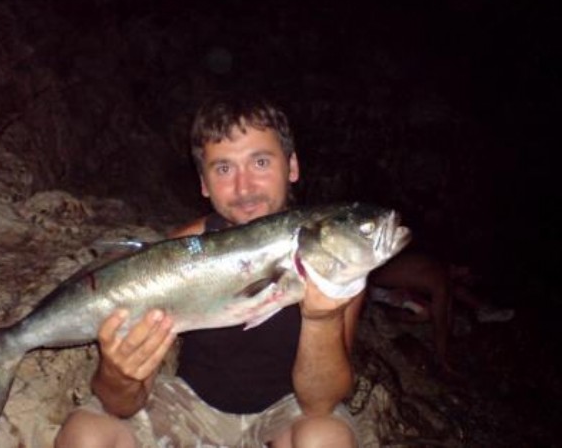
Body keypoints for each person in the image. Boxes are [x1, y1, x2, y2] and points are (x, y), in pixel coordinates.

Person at [54, 96, 363, 447]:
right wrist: (117, 374)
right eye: (224, 169)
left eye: (260, 162)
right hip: (191, 407)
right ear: (203, 183)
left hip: (286, 413)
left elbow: (320, 403)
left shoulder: (336, 250)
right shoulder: (181, 251)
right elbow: (122, 404)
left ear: (291, 166)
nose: (244, 187)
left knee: (325, 438)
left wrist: (323, 319)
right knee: (87, 434)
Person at [368, 251, 514, 375]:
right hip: (373, 289)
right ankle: (383, 314)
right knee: (426, 314)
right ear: (464, 270)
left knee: (446, 296)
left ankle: (484, 310)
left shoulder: (436, 266)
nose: (471, 282)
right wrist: (443, 358)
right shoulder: (440, 280)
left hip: (378, 281)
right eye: (472, 277)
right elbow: (440, 323)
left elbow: (446, 309)